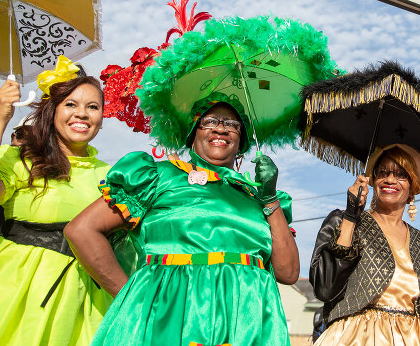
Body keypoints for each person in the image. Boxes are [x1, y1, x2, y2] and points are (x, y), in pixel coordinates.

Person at [65, 97, 299, 346]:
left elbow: (288, 272)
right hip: (170, 319)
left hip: (246, 325)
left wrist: (270, 198)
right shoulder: (158, 176)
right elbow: (82, 230)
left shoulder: (258, 197)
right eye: (209, 121)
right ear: (192, 133)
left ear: (241, 141)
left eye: (232, 124)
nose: (220, 128)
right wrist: (130, 296)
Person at [0, 57, 112, 345]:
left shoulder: (113, 175)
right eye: (70, 104)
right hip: (12, 295)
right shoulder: (22, 160)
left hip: (86, 302)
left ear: (102, 118)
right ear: (52, 111)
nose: (82, 114)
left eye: (93, 106)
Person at [309, 143, 420, 346]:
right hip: (355, 337)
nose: (390, 179)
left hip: (418, 339)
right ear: (373, 180)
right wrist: (351, 214)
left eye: (400, 175)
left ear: (412, 187)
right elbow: (325, 289)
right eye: (383, 173)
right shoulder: (345, 222)